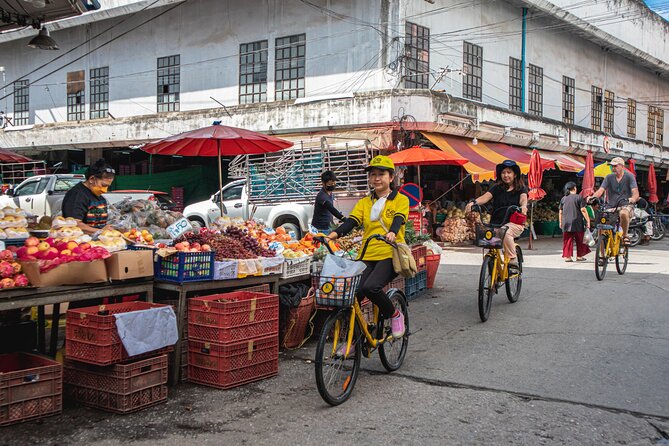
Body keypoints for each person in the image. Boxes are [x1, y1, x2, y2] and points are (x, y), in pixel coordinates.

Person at [324, 155, 408, 338]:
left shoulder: (400, 200)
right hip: (367, 254)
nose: (376, 178)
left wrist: (392, 232)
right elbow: (352, 222)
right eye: (373, 175)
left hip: (389, 254)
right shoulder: (364, 202)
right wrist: (332, 235)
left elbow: (398, 219)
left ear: (391, 177)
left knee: (371, 288)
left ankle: (395, 314)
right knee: (352, 295)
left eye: (381, 174)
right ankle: (357, 338)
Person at [465, 160, 528, 266]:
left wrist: (523, 207)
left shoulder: (520, 189)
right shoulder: (497, 188)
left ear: (515, 174)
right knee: (489, 239)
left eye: (509, 172)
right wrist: (473, 203)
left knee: (505, 231)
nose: (506, 175)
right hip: (496, 222)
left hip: (514, 223)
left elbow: (523, 199)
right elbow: (485, 197)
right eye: (503, 173)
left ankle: (512, 259)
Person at [588, 157, 639, 245]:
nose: (613, 168)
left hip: (626, 205)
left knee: (623, 213)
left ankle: (625, 236)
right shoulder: (609, 177)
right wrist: (592, 197)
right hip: (611, 206)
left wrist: (633, 199)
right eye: (612, 166)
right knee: (602, 225)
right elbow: (601, 190)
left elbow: (635, 192)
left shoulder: (629, 176)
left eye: (615, 166)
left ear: (622, 166)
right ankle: (602, 255)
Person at [62, 159, 115, 235]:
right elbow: (74, 224)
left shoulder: (99, 196)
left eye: (108, 186)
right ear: (92, 179)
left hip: (98, 241)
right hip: (80, 242)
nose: (105, 190)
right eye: (103, 185)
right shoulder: (77, 195)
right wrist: (100, 232)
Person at [559, 182, 590, 262]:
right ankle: (579, 256)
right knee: (580, 240)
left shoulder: (563, 198)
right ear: (575, 188)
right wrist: (588, 220)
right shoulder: (579, 198)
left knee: (567, 240)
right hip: (577, 222)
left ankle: (568, 257)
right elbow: (583, 210)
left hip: (566, 222)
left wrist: (560, 222)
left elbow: (560, 212)